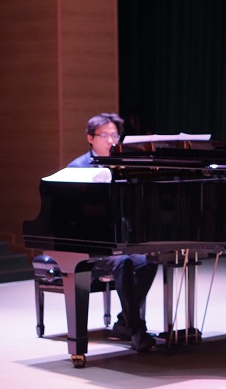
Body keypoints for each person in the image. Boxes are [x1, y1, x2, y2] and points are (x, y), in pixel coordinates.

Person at [68, 112, 158, 352]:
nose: (111, 141)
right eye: (104, 135)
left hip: (118, 240)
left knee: (149, 261)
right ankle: (136, 330)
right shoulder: (77, 168)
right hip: (89, 243)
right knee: (123, 262)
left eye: (115, 136)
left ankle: (124, 321)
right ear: (90, 138)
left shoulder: (123, 166)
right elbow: (71, 215)